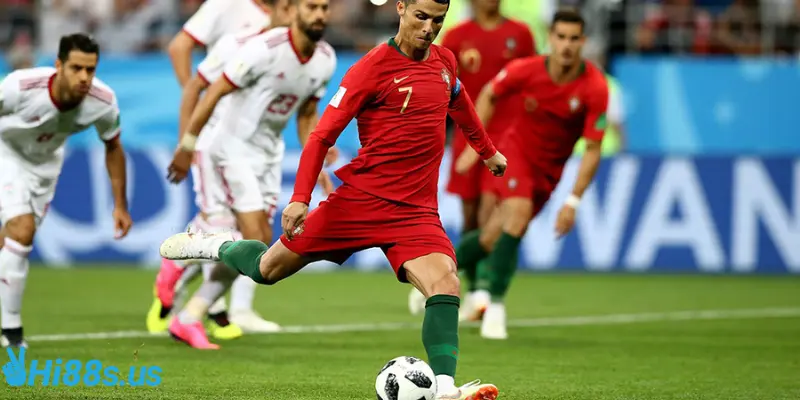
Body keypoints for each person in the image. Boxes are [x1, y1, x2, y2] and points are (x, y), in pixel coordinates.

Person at [160, 0, 507, 397]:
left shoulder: (445, 62)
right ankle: (216, 245)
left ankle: (445, 388)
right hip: (358, 203)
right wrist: (300, 198)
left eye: (438, 20)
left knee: (445, 283)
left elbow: (460, 102)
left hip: (415, 211)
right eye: (421, 17)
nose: (429, 28)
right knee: (266, 270)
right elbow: (321, 136)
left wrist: (487, 151)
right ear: (400, 8)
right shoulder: (371, 68)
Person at [163, 0, 337, 350]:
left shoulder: (325, 59)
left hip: (268, 156)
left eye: (324, 7)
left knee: (251, 243)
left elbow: (307, 114)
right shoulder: (263, 49)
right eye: (311, 6)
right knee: (254, 241)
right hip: (232, 147)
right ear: (293, 11)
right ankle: (191, 309)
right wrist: (188, 144)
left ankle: (188, 294)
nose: (319, 14)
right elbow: (213, 92)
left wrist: (316, 161)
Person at [455, 8, 609, 340]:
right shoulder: (526, 69)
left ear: (583, 42)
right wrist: (474, 145)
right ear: (550, 38)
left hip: (548, 173)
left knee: (491, 237)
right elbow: (490, 93)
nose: (566, 45)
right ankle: (495, 305)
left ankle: (440, 269)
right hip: (516, 154)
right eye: (561, 37)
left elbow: (593, 149)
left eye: (574, 39)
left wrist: (573, 201)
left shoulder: (595, 87)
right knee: (518, 214)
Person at [148, 0, 280, 335]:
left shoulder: (292, 33)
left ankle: (212, 298)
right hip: (221, 137)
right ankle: (213, 305)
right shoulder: (229, 8)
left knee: (253, 230)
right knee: (235, 230)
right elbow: (180, 48)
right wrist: (194, 118)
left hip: (261, 143)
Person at [0, 34, 133, 348]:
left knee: (11, 244)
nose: (84, 77)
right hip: (5, 151)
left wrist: (120, 205)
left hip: (45, 166)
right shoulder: (21, 86)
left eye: (91, 69)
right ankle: (11, 330)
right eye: (76, 68)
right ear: (58, 65)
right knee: (22, 230)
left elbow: (113, 147)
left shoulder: (102, 102)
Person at [408, 0, 535, 320]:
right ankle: (470, 284)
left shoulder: (520, 34)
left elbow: (531, 82)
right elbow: (440, 82)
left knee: (493, 213)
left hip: (507, 137)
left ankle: (484, 292)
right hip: (467, 134)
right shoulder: (457, 35)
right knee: (470, 215)